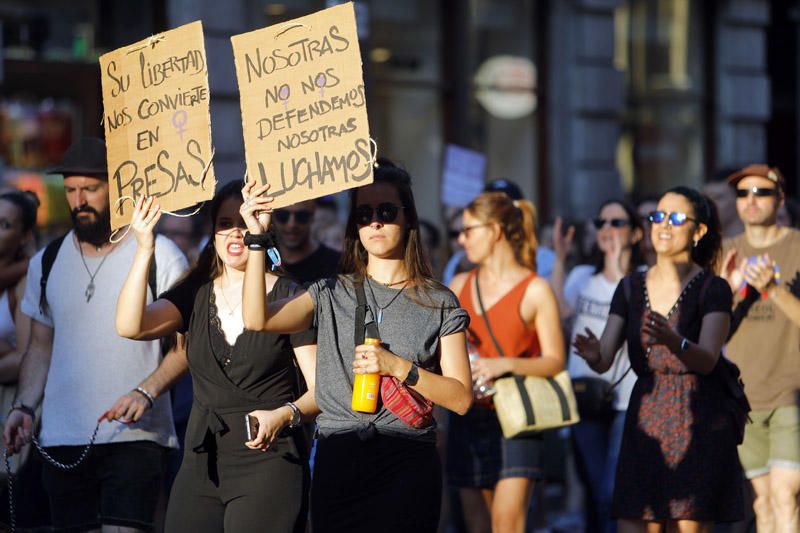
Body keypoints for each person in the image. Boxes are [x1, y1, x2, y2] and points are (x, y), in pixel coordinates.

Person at [240, 159, 473, 533]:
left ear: (408, 218)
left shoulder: (439, 301)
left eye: (385, 211)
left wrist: (399, 368)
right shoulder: (330, 291)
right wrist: (256, 239)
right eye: (364, 214)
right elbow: (257, 319)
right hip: (340, 454)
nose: (375, 222)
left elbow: (461, 398)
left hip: (407, 460)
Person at [3, 137, 188, 532]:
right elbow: (39, 346)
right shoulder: (47, 261)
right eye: (70, 190)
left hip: (135, 436)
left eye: (90, 189)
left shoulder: (161, 255)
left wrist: (147, 390)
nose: (78, 200)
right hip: (61, 438)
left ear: (118, 189)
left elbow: (187, 349)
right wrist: (23, 407)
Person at [114, 181, 317, 533]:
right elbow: (131, 326)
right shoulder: (196, 293)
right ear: (212, 232)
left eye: (245, 220)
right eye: (225, 223)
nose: (235, 232)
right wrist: (144, 247)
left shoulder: (290, 296)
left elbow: (320, 391)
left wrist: (284, 415)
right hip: (200, 459)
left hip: (269, 459)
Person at [574, 186, 743, 531]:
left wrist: (674, 341)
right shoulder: (630, 287)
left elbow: (708, 359)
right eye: (658, 216)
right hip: (646, 415)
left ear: (698, 231)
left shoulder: (714, 288)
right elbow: (606, 356)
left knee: (687, 522)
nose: (664, 224)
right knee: (633, 520)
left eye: (677, 218)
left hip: (696, 414)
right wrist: (594, 356)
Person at [446, 191, 565, 533]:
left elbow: (555, 360)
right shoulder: (458, 284)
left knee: (507, 524)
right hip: (467, 417)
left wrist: (504, 364)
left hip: (516, 419)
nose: (461, 239)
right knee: (476, 525)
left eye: (469, 230)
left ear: (495, 231)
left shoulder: (535, 289)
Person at [552, 200, 644, 533]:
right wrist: (560, 258)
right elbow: (560, 314)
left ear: (636, 233)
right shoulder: (582, 276)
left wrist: (619, 266)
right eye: (601, 222)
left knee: (613, 492)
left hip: (627, 398)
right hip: (584, 393)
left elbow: (637, 321)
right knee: (594, 491)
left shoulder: (643, 278)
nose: (607, 230)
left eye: (617, 223)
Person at [719, 165, 800, 533]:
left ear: (780, 198)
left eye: (762, 193)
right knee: (762, 503)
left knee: (786, 497)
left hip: (790, 392)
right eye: (743, 194)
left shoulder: (796, 246)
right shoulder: (725, 252)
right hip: (742, 396)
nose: (751, 201)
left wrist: (773, 289)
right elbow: (711, 334)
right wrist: (726, 295)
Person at [0, 190, 50, 528]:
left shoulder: (25, 284)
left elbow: (27, 356)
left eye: (4, 224)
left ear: (24, 235)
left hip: (12, 405)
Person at [273, 199, 341, 285]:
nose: (291, 224)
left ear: (312, 215)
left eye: (301, 216)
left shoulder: (337, 264)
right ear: (272, 216)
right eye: (283, 216)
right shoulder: (261, 262)